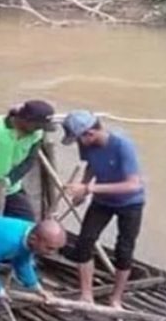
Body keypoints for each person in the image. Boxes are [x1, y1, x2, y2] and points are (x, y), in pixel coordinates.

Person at [61, 110, 145, 309]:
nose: (78, 144)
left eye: (78, 139)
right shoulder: (86, 144)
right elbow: (91, 165)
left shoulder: (123, 146)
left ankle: (116, 298)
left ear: (90, 133)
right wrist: (83, 188)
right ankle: (86, 294)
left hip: (130, 203)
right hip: (102, 201)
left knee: (124, 250)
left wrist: (89, 188)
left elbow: (133, 185)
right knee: (85, 242)